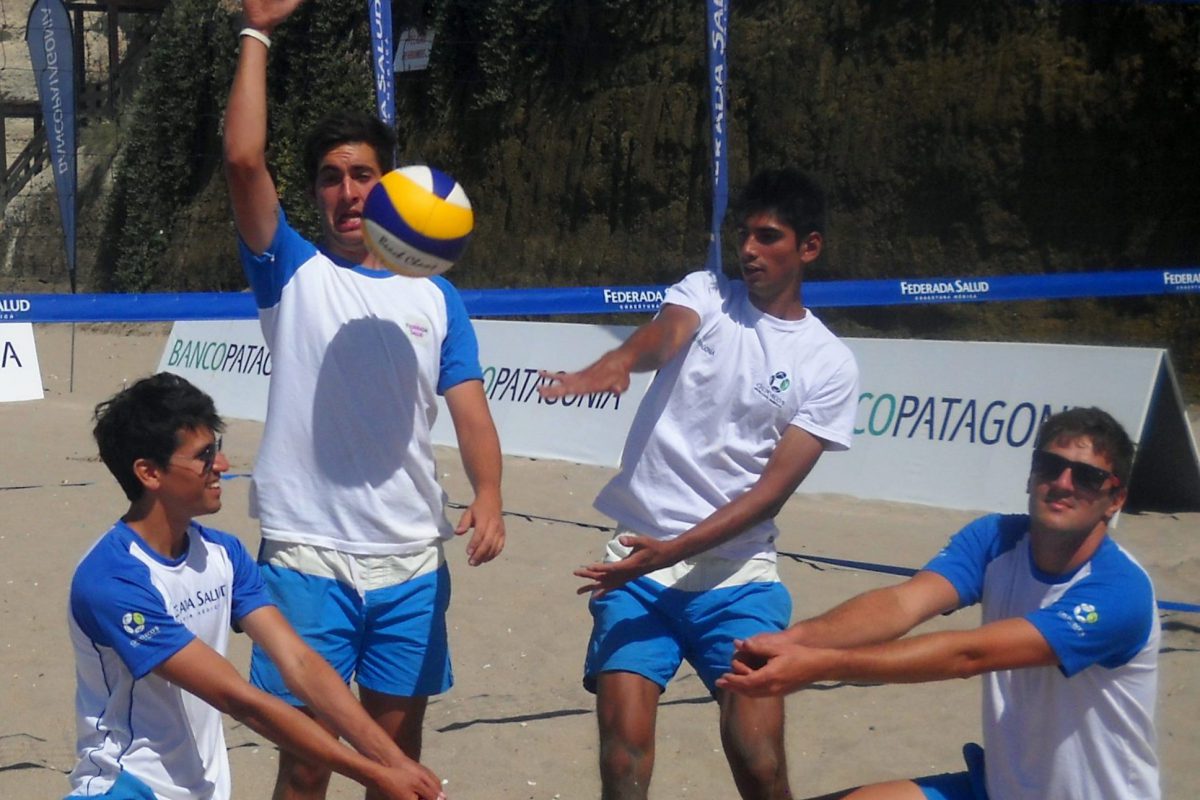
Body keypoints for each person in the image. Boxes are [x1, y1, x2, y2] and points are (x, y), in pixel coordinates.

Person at [223, 1, 505, 797]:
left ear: (389, 186)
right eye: (330, 177)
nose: (347, 191)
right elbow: (243, 160)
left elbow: (470, 408)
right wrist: (256, 32)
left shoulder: (437, 296)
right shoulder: (291, 270)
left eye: (363, 175)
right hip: (306, 555)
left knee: (395, 762)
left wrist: (489, 492)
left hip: (410, 559)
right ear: (315, 193)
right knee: (306, 764)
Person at [539, 168, 860, 799]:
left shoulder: (829, 363)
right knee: (624, 758)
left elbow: (769, 495)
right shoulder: (708, 292)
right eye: (744, 235)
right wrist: (621, 359)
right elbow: (665, 334)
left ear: (810, 247)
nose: (749, 250)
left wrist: (675, 550)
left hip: (737, 579)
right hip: (640, 570)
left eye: (769, 237)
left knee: (760, 762)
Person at [718, 407, 1160, 800]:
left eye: (1087, 477)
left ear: (1115, 500)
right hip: (997, 789)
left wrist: (819, 666)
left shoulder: (1119, 591)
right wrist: (793, 641)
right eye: (1050, 466)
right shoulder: (996, 538)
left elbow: (969, 655)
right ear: (1031, 474)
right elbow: (902, 604)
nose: (1063, 483)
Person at [66, 373, 445, 800]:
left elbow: (300, 663)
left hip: (201, 790)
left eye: (217, 449)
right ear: (149, 473)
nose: (222, 466)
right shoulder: (113, 579)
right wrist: (372, 773)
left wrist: (394, 761)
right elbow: (238, 700)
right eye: (204, 456)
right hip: (124, 788)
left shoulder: (223, 552)